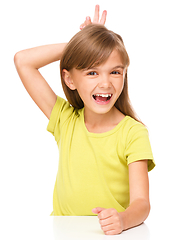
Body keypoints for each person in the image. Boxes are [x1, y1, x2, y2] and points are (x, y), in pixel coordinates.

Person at [14, 5, 155, 235]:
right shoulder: (65, 120)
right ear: (70, 80)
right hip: (62, 233)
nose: (105, 83)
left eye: (115, 72)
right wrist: (84, 44)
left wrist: (122, 219)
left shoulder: (133, 132)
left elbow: (142, 204)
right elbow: (23, 61)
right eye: (92, 72)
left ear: (124, 75)